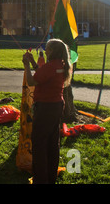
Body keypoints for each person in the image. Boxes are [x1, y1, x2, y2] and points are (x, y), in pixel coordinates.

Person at [22, 39, 72, 184]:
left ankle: (41, 179)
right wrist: (33, 63)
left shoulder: (50, 67)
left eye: (47, 48)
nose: (45, 50)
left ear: (52, 51)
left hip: (45, 108)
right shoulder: (61, 65)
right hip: (56, 106)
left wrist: (26, 66)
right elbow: (45, 75)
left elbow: (32, 82)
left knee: (39, 144)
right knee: (52, 142)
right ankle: (50, 177)